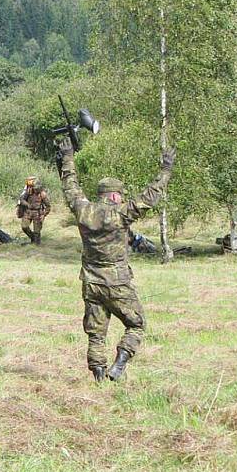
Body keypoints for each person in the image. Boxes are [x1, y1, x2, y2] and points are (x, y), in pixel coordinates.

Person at [55, 137, 175, 382]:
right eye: (120, 195)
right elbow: (150, 197)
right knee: (136, 324)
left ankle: (99, 376)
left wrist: (67, 157)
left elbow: (70, 186)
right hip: (117, 281)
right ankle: (119, 365)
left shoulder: (83, 209)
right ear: (114, 197)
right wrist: (165, 170)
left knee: (96, 333)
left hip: (91, 282)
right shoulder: (121, 214)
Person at [17, 176, 51, 245]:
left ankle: (36, 243)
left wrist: (44, 215)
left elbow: (48, 206)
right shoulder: (29, 191)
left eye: (36, 189)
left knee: (37, 231)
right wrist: (27, 204)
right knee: (24, 227)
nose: (35, 190)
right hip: (28, 212)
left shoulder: (43, 194)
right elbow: (22, 200)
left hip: (38, 213)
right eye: (34, 188)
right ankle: (32, 237)